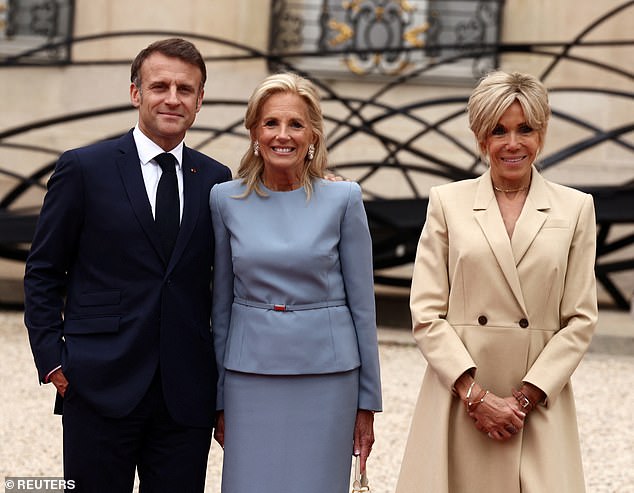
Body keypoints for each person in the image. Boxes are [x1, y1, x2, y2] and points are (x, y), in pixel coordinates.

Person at [23, 38, 232, 492]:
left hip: (185, 393)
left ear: (200, 100)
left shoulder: (217, 179)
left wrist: (321, 184)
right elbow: (42, 271)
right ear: (136, 92)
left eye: (185, 89)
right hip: (96, 382)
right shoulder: (83, 169)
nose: (172, 98)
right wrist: (52, 361)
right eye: (160, 86)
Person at [395, 71, 598, 493]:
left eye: (525, 129)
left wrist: (522, 399)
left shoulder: (576, 208)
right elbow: (426, 312)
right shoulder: (447, 203)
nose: (512, 143)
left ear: (541, 133)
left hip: (536, 405)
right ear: (480, 137)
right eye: (498, 131)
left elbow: (580, 319)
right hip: (460, 397)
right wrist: (477, 398)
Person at [209, 72, 382, 493]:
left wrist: (367, 403)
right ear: (254, 131)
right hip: (249, 378)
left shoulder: (344, 199)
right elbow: (220, 305)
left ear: (314, 136)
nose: (282, 135)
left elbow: (363, 306)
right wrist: (218, 398)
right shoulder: (224, 199)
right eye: (271, 123)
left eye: (295, 124)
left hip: (329, 377)